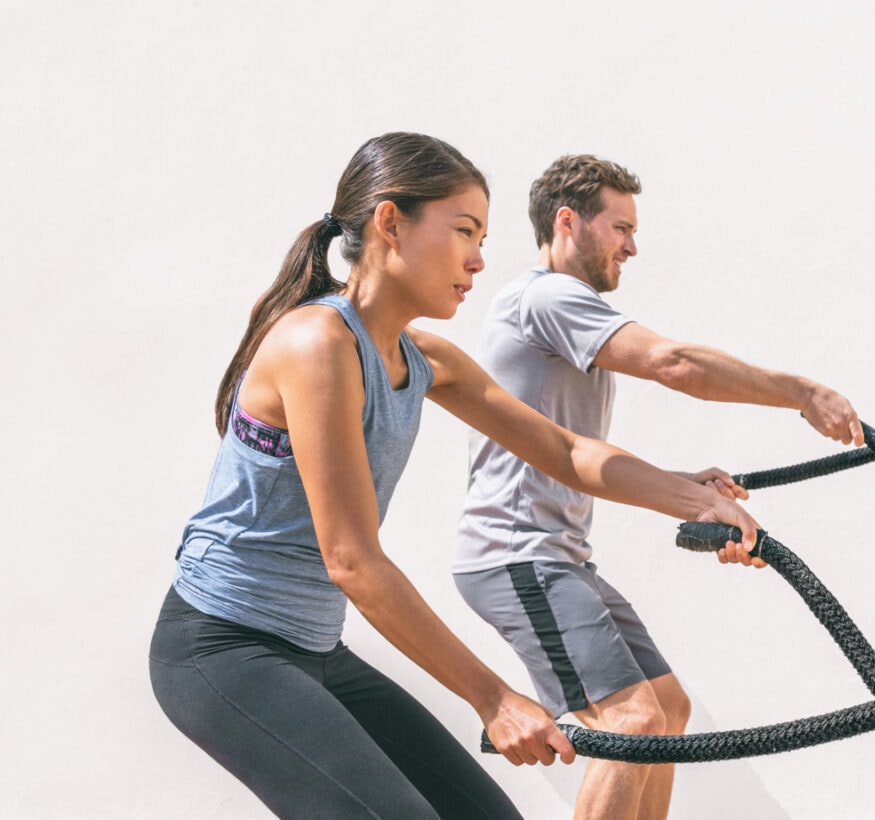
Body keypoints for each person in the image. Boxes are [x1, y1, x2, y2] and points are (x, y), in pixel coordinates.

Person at [148, 133, 763, 820]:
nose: (477, 259)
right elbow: (352, 561)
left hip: (314, 650)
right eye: (464, 231)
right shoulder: (316, 345)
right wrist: (495, 698)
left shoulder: (425, 358)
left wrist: (692, 498)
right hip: (220, 649)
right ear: (390, 223)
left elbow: (564, 453)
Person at [454, 153, 865, 820]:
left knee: (665, 712)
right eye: (620, 227)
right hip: (515, 556)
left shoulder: (554, 313)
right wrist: (800, 391)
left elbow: (568, 452)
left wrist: (684, 484)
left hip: (557, 557)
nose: (633, 246)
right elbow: (673, 363)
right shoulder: (548, 296)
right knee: (632, 722)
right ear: (568, 222)